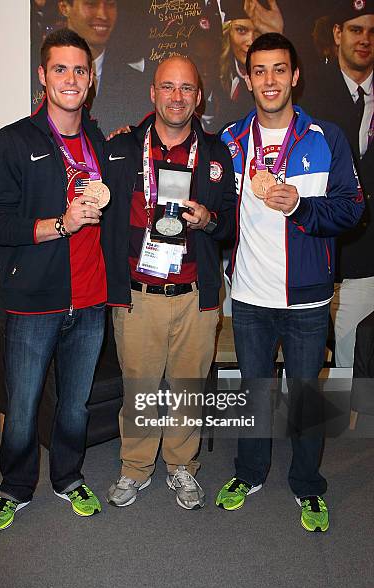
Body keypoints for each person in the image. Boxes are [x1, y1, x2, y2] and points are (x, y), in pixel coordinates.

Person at [216, 33, 363, 532]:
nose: (270, 80)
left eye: (280, 70)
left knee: (305, 396)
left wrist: (300, 206)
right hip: (250, 297)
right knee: (254, 391)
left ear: (294, 75)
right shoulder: (230, 142)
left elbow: (352, 209)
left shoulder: (327, 137)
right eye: (259, 71)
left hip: (307, 298)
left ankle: (307, 483)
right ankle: (250, 472)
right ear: (247, 78)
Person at [0, 28, 109, 530]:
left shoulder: (98, 140)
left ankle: (69, 477)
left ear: (91, 79)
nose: (70, 79)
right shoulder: (11, 141)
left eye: (79, 70)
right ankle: (14, 486)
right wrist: (59, 225)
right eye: (60, 69)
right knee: (26, 405)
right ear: (42, 76)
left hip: (91, 298)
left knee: (74, 406)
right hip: (35, 300)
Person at [102, 56, 236, 510]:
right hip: (138, 295)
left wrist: (210, 219)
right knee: (137, 388)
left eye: (186, 89)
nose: (177, 97)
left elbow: (230, 226)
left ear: (198, 97)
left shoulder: (217, 154)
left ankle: (182, 467)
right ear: (153, 92)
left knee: (188, 388)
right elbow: (104, 218)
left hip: (195, 296)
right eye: (168, 87)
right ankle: (135, 468)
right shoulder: (121, 148)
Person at [303, 0, 374, 367]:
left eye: (372, 31)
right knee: (318, 376)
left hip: (368, 260)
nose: (364, 40)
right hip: (317, 253)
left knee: (357, 367)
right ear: (337, 34)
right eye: (355, 30)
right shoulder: (309, 92)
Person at [58, 0, 152, 135]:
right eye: (91, 4)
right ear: (64, 7)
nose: (103, 15)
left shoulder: (139, 86)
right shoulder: (40, 78)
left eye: (110, 4)